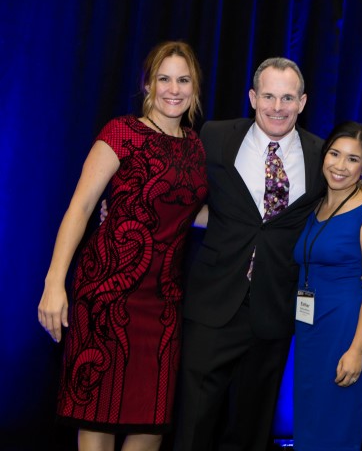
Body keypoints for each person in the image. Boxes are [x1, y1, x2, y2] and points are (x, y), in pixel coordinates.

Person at [37, 41, 208, 450]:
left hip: (163, 305)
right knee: (96, 414)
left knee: (150, 423)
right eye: (164, 78)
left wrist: (255, 228)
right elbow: (80, 208)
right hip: (106, 295)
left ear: (195, 88)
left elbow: (192, 212)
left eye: (183, 80)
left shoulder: (197, 146)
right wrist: (54, 283)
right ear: (147, 84)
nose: (174, 89)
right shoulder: (122, 132)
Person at [174, 57, 326, 450]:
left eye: (288, 98)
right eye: (269, 96)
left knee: (250, 433)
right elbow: (180, 193)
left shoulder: (321, 155)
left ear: (302, 102)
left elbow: (337, 217)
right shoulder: (214, 136)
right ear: (253, 97)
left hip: (273, 311)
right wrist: (131, 209)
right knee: (192, 426)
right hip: (213, 303)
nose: (278, 107)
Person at [292, 121, 362, 451]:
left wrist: (357, 350)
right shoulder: (316, 206)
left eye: (352, 158)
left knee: (334, 424)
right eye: (335, 154)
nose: (340, 165)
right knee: (309, 422)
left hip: (342, 331)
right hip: (310, 331)